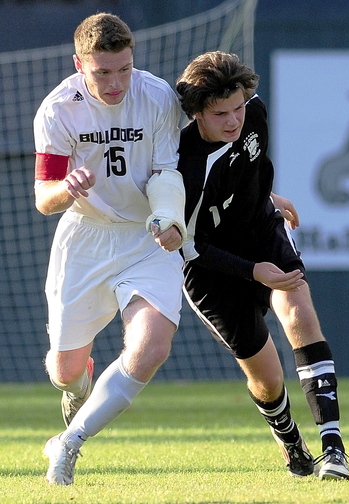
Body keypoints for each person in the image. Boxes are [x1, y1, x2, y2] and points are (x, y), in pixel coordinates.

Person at [175, 51, 349, 480]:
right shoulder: (186, 167)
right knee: (269, 379)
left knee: (300, 313)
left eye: (238, 106)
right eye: (221, 114)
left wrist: (269, 197)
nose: (234, 120)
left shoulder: (254, 112)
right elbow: (190, 247)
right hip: (211, 270)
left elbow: (248, 172)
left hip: (261, 232)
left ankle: (334, 447)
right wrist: (255, 272)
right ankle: (293, 444)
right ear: (197, 112)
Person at [33, 13, 186, 485]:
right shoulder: (58, 110)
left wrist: (169, 219)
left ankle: (70, 443)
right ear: (79, 64)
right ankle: (76, 389)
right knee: (64, 371)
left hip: (147, 238)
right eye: (103, 72)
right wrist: (69, 188)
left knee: (150, 347)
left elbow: (165, 170)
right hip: (86, 238)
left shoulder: (158, 95)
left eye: (124, 68)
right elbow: (44, 199)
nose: (117, 82)